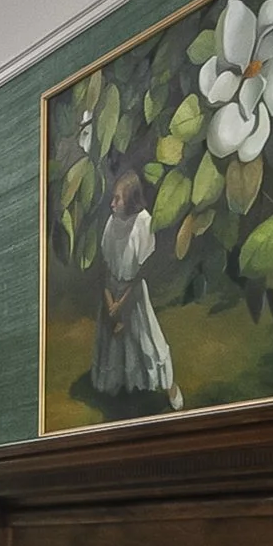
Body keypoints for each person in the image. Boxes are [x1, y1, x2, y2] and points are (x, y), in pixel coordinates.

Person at [91, 173, 184, 412]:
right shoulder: (112, 222)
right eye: (113, 198)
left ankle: (170, 386)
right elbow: (104, 266)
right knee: (116, 343)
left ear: (131, 201)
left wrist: (121, 305)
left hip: (132, 294)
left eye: (118, 199)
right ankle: (125, 390)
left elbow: (142, 272)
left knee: (148, 342)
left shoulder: (143, 222)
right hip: (112, 290)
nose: (113, 204)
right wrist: (110, 300)